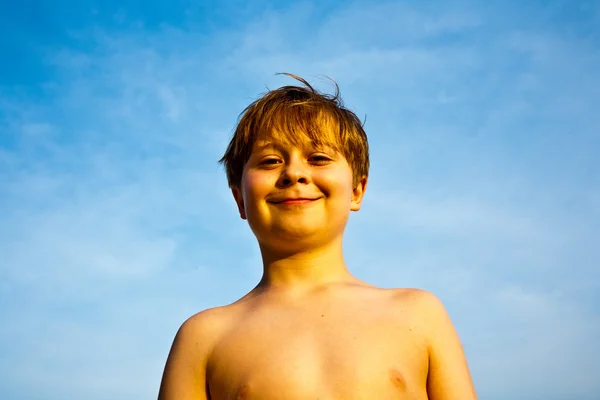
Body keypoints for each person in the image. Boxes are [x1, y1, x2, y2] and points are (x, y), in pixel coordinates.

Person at [158, 74, 477, 399]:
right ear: (240, 198)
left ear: (357, 190)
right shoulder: (204, 338)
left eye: (318, 158)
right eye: (270, 161)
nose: (294, 173)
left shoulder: (417, 314)